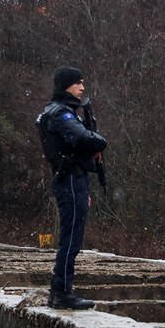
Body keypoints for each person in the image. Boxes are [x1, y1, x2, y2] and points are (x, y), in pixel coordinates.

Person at [37, 66, 107, 310]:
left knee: (71, 238)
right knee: (71, 240)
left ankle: (61, 291)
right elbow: (84, 139)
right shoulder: (61, 114)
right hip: (69, 180)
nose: (82, 87)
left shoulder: (58, 112)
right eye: (78, 83)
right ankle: (63, 292)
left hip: (72, 178)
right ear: (66, 85)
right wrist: (98, 142)